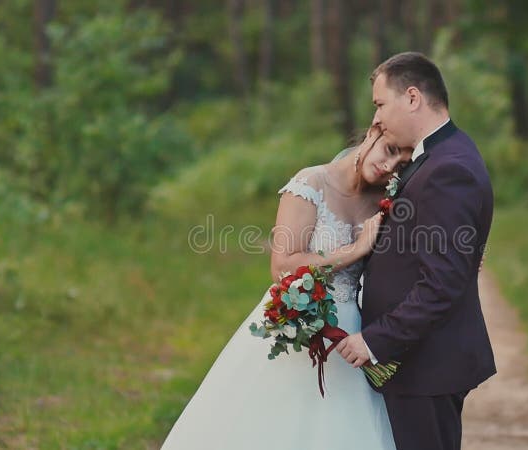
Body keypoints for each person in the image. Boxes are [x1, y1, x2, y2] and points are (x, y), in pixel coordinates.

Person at [160, 125, 413, 450]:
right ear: (372, 133)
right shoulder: (311, 184)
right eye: (389, 151)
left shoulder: (385, 203)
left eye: (401, 165)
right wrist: (355, 249)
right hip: (298, 323)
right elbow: (282, 266)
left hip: (351, 336)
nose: (389, 166)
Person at [336, 52, 496, 450]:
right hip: (422, 363)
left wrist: (375, 340)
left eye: (380, 104)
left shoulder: (448, 168)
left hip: (427, 366)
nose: (377, 118)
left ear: (411, 98)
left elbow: (442, 282)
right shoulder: (439, 156)